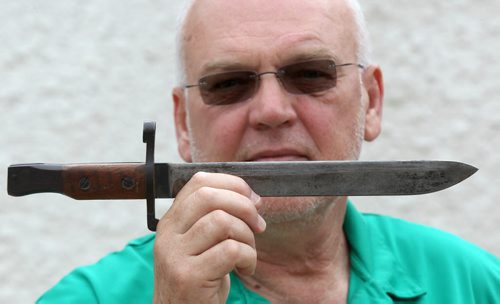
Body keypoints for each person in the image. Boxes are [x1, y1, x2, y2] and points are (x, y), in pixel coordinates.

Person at [38, 0, 499, 303]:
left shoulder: (473, 285)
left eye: (310, 74)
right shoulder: (89, 298)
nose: (272, 111)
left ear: (371, 101)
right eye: (229, 84)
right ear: (182, 123)